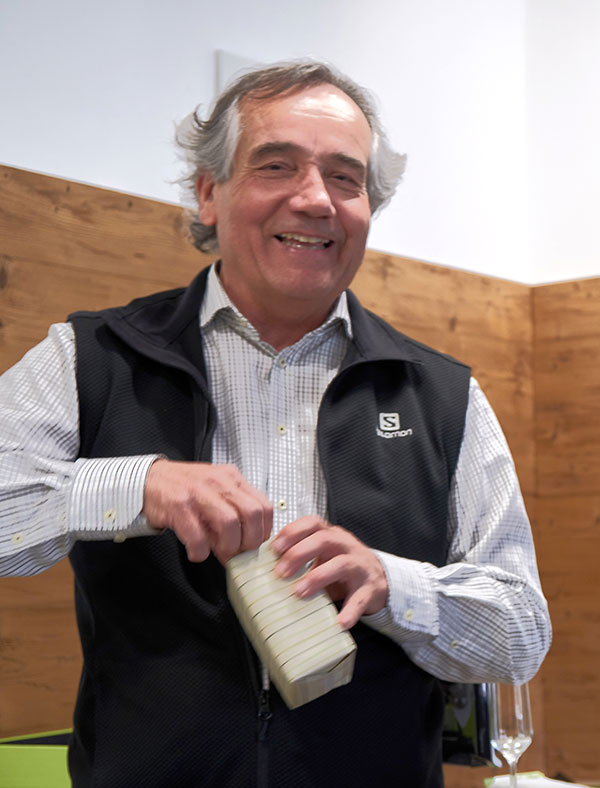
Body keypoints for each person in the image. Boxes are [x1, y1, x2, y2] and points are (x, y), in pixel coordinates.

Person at [0, 61, 550, 787]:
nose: (316, 198)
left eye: (346, 178)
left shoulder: (443, 394)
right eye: (276, 165)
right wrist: (139, 486)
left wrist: (391, 585)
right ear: (209, 192)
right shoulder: (90, 356)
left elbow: (519, 633)